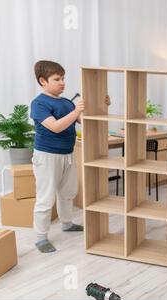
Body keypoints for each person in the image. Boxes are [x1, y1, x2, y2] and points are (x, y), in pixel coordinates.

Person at [30, 60, 111, 253]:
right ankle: (41, 237)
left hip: (67, 154)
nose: (62, 82)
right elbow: (56, 127)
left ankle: (66, 223)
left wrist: (103, 106)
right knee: (45, 197)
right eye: (57, 79)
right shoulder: (39, 103)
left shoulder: (66, 103)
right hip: (47, 156)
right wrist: (76, 111)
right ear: (43, 81)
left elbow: (88, 123)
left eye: (63, 78)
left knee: (68, 193)